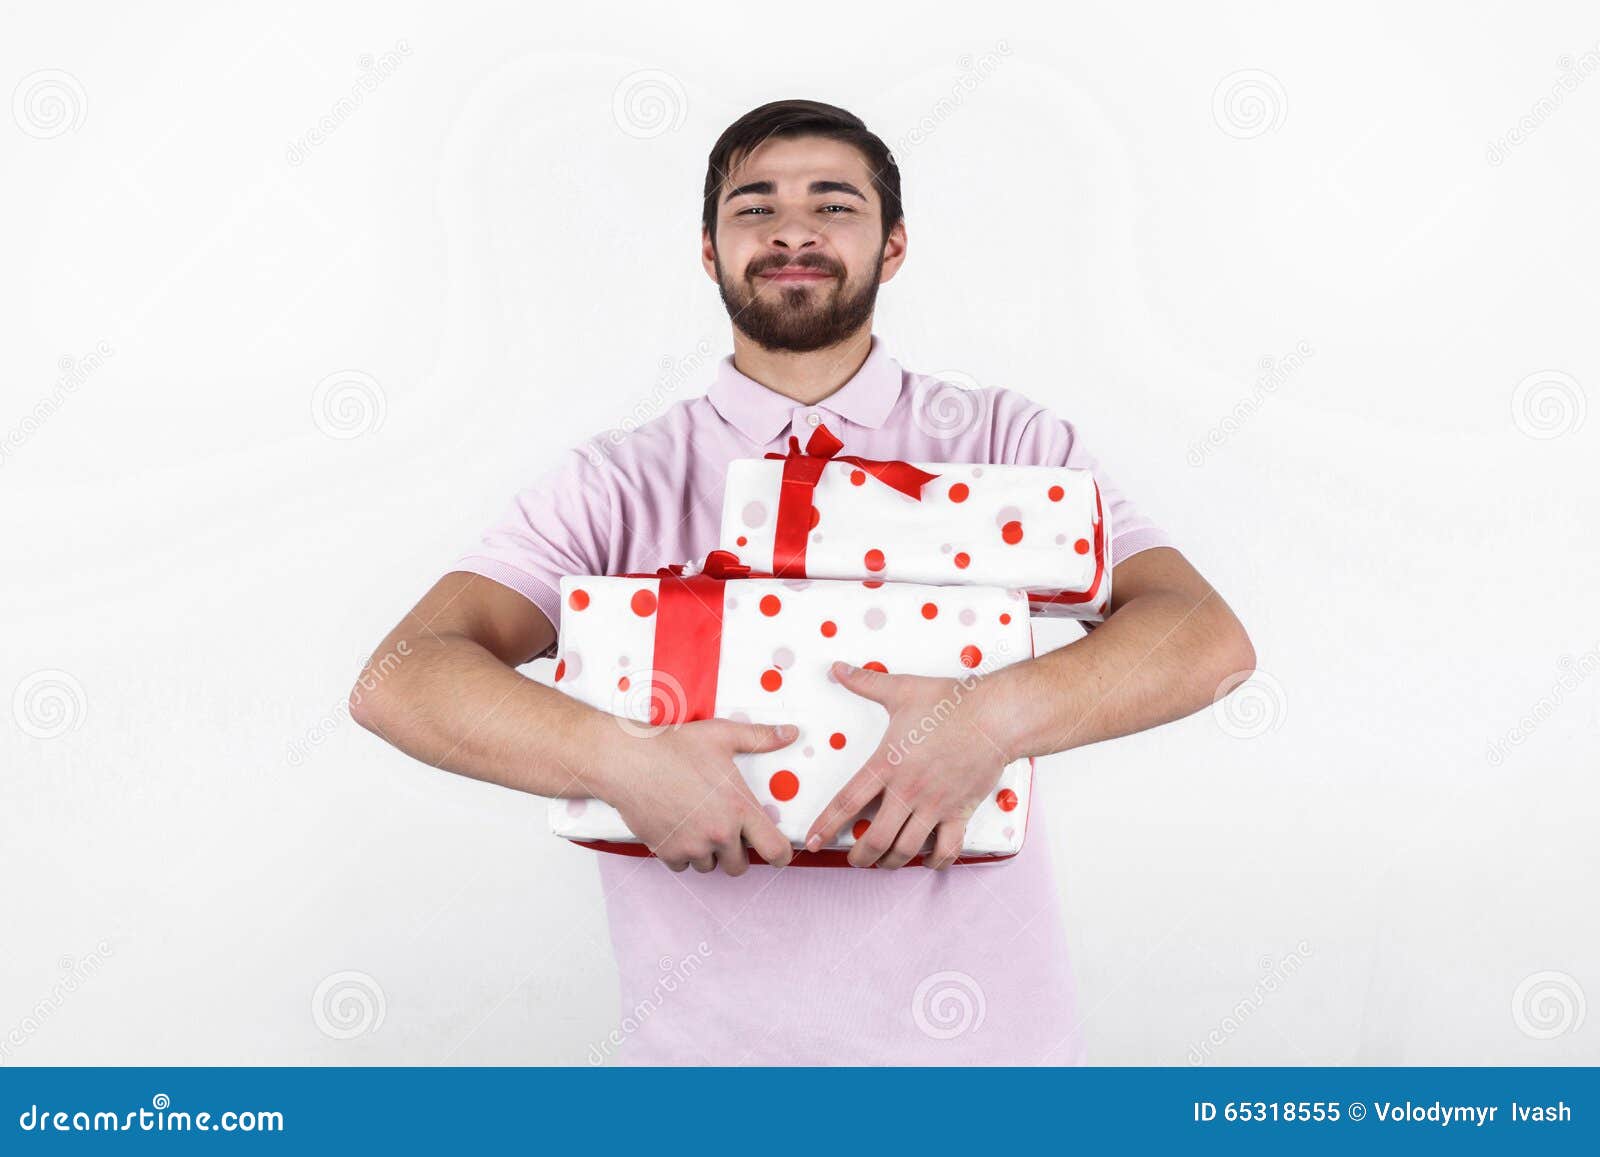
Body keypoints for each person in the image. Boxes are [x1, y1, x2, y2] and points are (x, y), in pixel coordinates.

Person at [351, 99, 1255, 1064]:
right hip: (708, 1074)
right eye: (754, 208)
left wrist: (994, 720)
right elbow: (401, 678)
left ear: (893, 244)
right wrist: (618, 758)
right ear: (708, 250)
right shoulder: (615, 485)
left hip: (991, 1071)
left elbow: (1203, 636)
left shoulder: (1008, 444)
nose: (792, 229)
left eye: (834, 204)